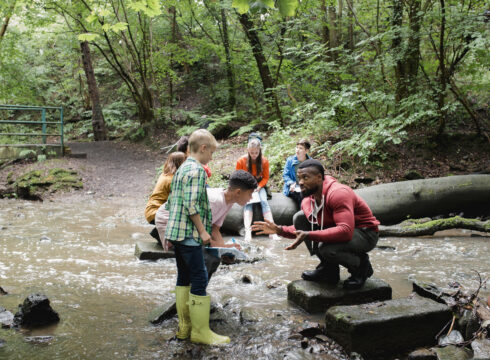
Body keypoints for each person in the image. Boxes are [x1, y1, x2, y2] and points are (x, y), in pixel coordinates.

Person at [252, 159, 380, 290]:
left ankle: (361, 266)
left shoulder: (338, 193)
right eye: (299, 178)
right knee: (300, 218)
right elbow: (302, 229)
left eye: (305, 177)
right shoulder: (308, 199)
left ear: (319, 178)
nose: (300, 182)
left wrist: (309, 235)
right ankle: (329, 270)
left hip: (365, 233)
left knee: (326, 248)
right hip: (342, 230)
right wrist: (280, 230)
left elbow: (345, 231)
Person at [164, 129, 229, 345]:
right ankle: (200, 332)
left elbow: (172, 202)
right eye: (211, 152)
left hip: (177, 232)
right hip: (189, 234)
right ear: (203, 148)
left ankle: (185, 328)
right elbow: (191, 204)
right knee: (199, 278)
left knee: (183, 278)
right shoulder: (197, 170)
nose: (211, 157)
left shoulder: (181, 168)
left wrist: (168, 232)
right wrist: (202, 230)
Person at [236, 137, 280, 242]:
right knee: (248, 203)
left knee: (264, 201)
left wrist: (259, 187)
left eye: (256, 152)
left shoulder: (264, 161)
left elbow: (265, 177)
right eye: (252, 153)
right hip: (246, 186)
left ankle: (272, 230)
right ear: (248, 150)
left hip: (259, 186)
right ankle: (247, 231)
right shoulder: (241, 161)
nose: (254, 155)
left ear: (259, 151)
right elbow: (238, 176)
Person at [144, 152, 186, 245]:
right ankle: (159, 233)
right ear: (181, 164)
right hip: (156, 212)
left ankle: (158, 231)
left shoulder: (165, 175)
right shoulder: (172, 180)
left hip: (151, 210)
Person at [282, 139, 311, 207]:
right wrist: (291, 183)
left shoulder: (310, 162)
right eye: (297, 147)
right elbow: (285, 175)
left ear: (306, 151)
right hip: (293, 187)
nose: (297, 150)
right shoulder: (290, 160)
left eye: (300, 148)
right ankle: (302, 214)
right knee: (301, 195)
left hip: (306, 186)